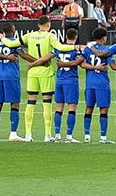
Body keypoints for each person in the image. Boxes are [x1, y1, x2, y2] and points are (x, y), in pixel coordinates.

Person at [18, 15, 79, 143]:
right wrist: (77, 47)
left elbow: (17, 48)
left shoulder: (29, 35)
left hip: (32, 72)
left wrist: (33, 62)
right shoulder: (50, 36)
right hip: (46, 72)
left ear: (38, 24)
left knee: (31, 102)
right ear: (48, 24)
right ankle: (47, 135)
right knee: (47, 103)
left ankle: (28, 134)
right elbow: (61, 48)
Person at [0, 26, 25, 141]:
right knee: (15, 104)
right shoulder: (15, 42)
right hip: (12, 76)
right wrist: (37, 61)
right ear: (14, 31)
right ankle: (13, 134)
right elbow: (23, 55)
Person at [81, 27, 115, 143]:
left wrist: (92, 67)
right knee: (103, 109)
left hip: (90, 83)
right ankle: (103, 137)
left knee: (89, 108)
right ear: (104, 37)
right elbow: (112, 66)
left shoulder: (87, 50)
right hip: (102, 84)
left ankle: (87, 136)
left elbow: (82, 64)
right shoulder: (106, 50)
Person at [53, 28, 84, 143]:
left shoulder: (59, 48)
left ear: (66, 36)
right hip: (71, 80)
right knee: (71, 108)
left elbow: (51, 57)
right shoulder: (75, 50)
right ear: (76, 37)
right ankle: (69, 137)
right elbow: (77, 63)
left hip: (59, 80)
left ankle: (57, 135)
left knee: (59, 108)